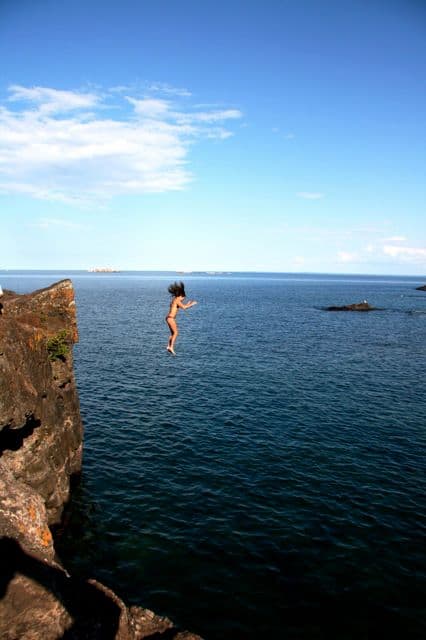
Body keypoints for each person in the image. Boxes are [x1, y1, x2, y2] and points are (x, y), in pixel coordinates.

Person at [165, 281, 197, 355]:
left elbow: (182, 306)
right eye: (183, 298)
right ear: (180, 296)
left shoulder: (175, 300)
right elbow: (184, 307)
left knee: (173, 333)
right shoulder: (176, 300)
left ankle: (168, 346)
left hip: (169, 318)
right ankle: (171, 347)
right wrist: (192, 304)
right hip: (171, 318)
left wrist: (188, 304)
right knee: (176, 333)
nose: (183, 299)